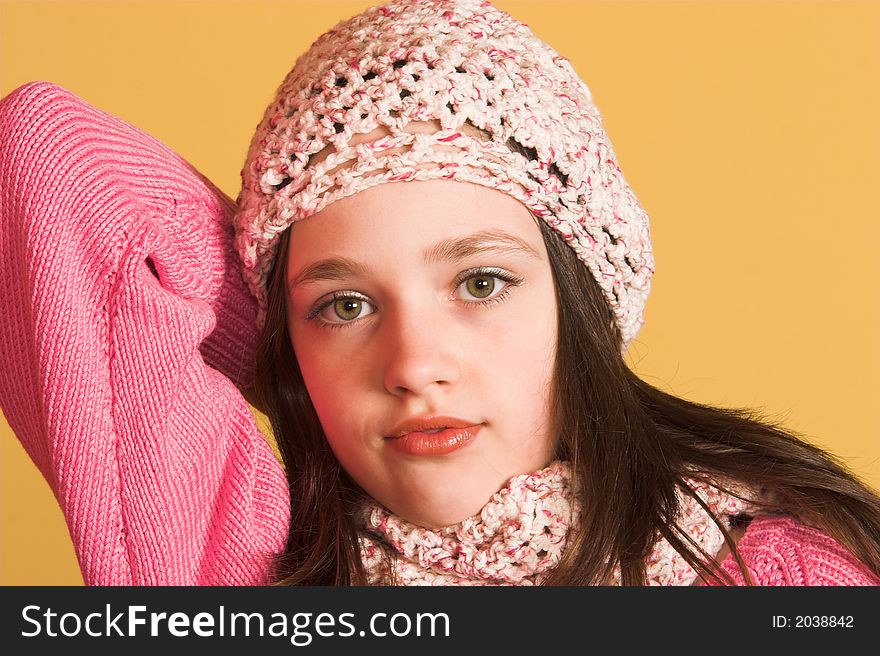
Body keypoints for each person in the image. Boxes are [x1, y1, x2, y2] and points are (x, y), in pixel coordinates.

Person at [1, 0, 878, 586]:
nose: (414, 366)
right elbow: (45, 160)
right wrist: (268, 341)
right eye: (345, 306)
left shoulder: (771, 573)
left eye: (481, 282)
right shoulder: (237, 563)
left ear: (586, 298)